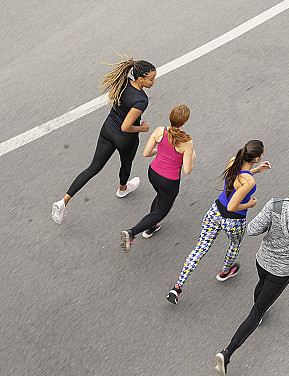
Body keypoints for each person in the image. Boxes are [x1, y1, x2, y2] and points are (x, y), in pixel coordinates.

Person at [215, 174, 289, 376]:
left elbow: (253, 229)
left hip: (263, 261)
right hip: (282, 272)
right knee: (256, 312)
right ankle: (227, 352)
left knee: (262, 282)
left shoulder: (275, 205)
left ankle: (260, 311)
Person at [51, 57, 156, 224]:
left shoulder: (124, 81)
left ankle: (63, 201)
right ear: (141, 78)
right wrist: (141, 129)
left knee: (93, 167)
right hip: (124, 138)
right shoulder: (141, 100)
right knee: (126, 163)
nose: (153, 82)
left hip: (107, 129)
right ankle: (122, 189)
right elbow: (126, 127)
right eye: (151, 79)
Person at [166, 140, 270, 304]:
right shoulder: (249, 183)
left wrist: (256, 170)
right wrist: (250, 204)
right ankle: (225, 272)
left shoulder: (233, 161)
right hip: (234, 221)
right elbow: (233, 206)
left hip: (214, 212)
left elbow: (238, 179)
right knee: (234, 244)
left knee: (200, 248)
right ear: (257, 157)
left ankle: (177, 287)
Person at [121, 104, 195, 251]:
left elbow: (146, 153)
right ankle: (131, 233)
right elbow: (187, 170)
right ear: (185, 122)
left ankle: (152, 226)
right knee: (161, 211)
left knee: (160, 197)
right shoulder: (186, 142)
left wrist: (161, 151)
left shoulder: (160, 131)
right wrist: (191, 157)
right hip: (169, 181)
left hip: (153, 173)